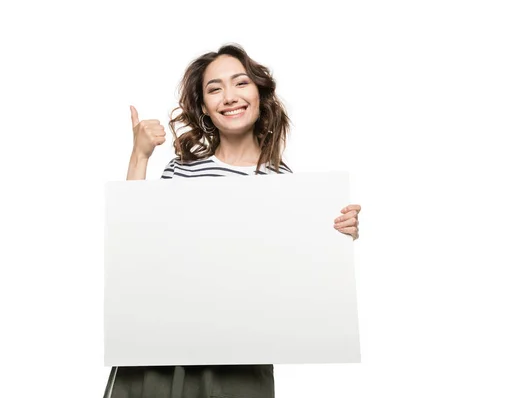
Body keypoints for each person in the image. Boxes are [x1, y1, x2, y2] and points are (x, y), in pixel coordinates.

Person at [109, 43, 361, 398]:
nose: (229, 96)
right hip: (162, 356)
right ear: (205, 109)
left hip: (241, 363)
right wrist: (139, 156)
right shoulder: (182, 170)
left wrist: (338, 236)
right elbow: (132, 245)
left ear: (260, 96)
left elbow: (297, 278)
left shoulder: (288, 187)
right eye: (214, 89)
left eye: (240, 83)